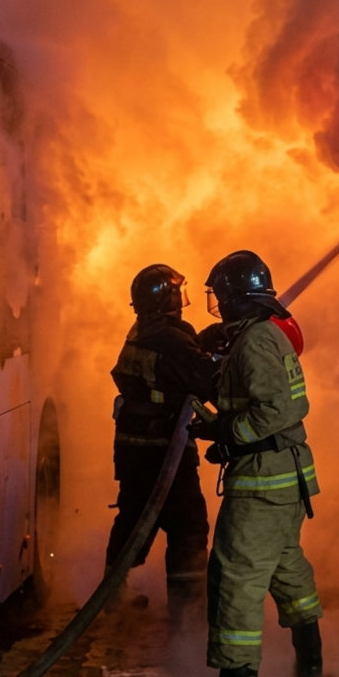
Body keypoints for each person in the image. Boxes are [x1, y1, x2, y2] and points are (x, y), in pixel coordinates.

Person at [183, 250, 323, 677]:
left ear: (240, 299)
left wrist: (225, 434)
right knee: (285, 568)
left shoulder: (256, 343)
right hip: (282, 477)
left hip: (262, 481)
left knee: (234, 574)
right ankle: (311, 661)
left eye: (221, 298)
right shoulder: (259, 337)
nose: (218, 307)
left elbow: (279, 409)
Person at [107, 264, 218, 620]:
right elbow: (207, 381)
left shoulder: (142, 330)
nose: (181, 302)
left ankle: (112, 593)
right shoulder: (170, 340)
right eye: (176, 295)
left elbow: (175, 361)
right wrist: (221, 358)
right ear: (166, 300)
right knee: (188, 525)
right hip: (163, 448)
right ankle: (187, 611)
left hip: (134, 447)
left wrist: (203, 342)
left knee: (134, 518)